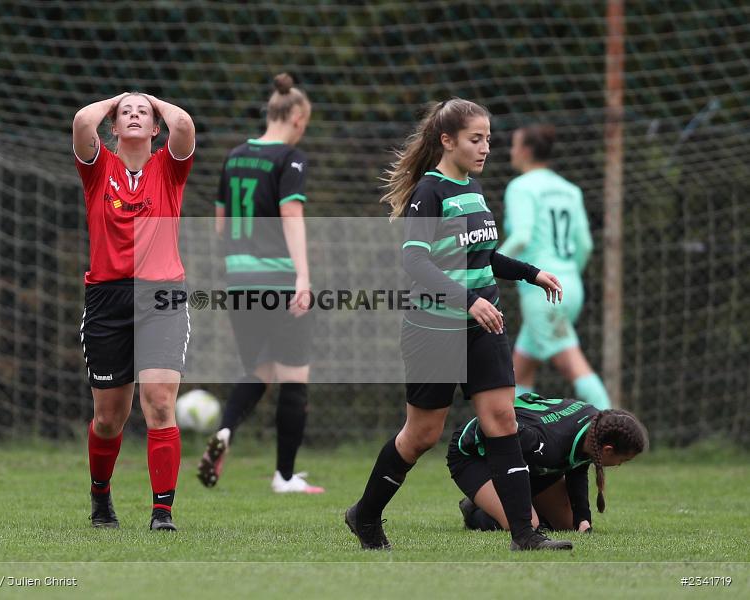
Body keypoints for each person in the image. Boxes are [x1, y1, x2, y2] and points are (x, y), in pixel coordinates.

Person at [344, 98, 573, 552]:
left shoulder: (474, 188)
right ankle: (365, 515)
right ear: (447, 141)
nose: (485, 147)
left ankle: (525, 535)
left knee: (502, 420)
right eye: (476, 139)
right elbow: (414, 260)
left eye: (488, 138)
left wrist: (531, 272)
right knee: (422, 435)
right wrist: (467, 301)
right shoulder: (429, 192)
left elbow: (483, 257)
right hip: (434, 329)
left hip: (483, 325)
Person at [73, 91, 195, 531]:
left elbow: (184, 126)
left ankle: (162, 512)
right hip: (107, 298)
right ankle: (101, 498)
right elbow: (81, 123)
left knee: (160, 403)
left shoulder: (168, 166)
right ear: (115, 126)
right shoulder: (99, 166)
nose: (135, 115)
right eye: (127, 113)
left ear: (155, 126)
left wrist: (153, 102)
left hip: (161, 295)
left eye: (143, 113)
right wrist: (119, 99)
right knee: (109, 418)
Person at [197, 73, 323, 494]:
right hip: (279, 279)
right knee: (294, 378)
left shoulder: (234, 157)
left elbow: (220, 226)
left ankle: (226, 430)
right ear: (298, 116)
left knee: (259, 370)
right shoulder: (291, 158)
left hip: (238, 281)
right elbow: (291, 215)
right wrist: (303, 276)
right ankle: (284, 476)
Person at [499, 125, 610, 409]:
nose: (511, 151)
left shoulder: (521, 187)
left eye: (514, 145)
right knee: (520, 369)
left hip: (543, 292)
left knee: (573, 364)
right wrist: (569, 276)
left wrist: (487, 266)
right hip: (570, 285)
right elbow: (584, 245)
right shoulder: (569, 190)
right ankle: (518, 438)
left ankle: (617, 431)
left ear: (524, 150)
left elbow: (521, 236)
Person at [448, 393, 647, 532]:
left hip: (526, 460)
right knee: (527, 524)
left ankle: (502, 502)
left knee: (568, 524)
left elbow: (577, 466)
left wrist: (582, 518)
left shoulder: (595, 427)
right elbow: (504, 447)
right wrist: (518, 505)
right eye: (623, 460)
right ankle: (474, 511)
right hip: (474, 454)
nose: (620, 465)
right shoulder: (545, 444)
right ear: (608, 450)